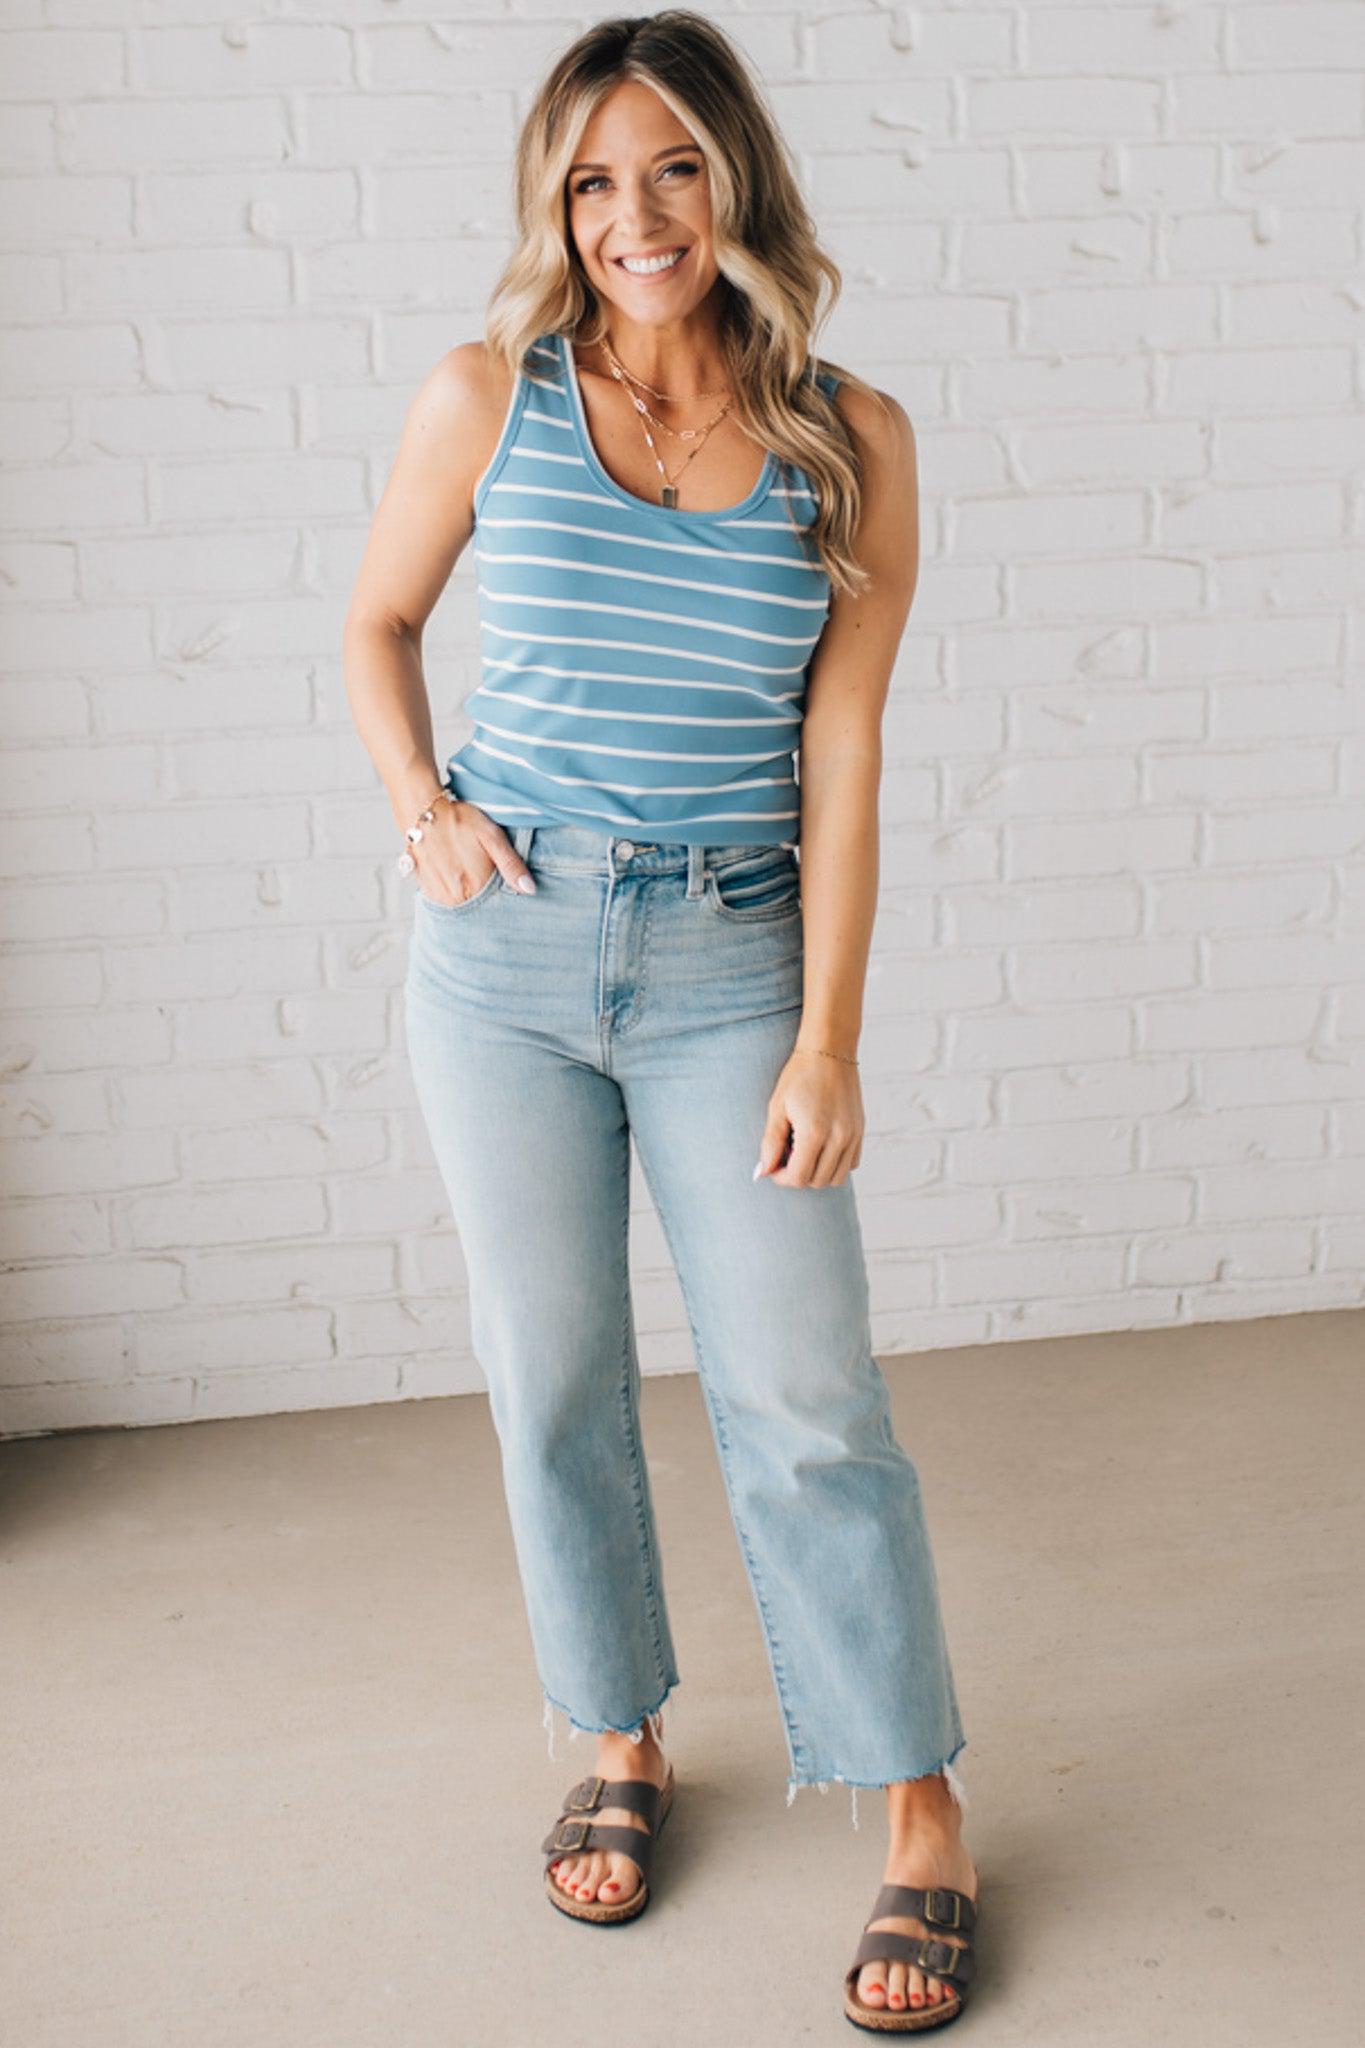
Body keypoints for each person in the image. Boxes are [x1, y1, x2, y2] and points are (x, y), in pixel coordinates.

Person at [343, 11, 979, 2032]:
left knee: (805, 1398)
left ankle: (916, 1804)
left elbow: (845, 751)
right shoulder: (487, 396)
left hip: (729, 961)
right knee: (548, 1376)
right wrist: (422, 813)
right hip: (504, 967)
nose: (634, 216)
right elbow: (371, 623)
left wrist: (828, 1037)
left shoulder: (846, 434)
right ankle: (613, 1733)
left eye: (673, 169)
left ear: (736, 178)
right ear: (557, 200)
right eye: (594, 181)